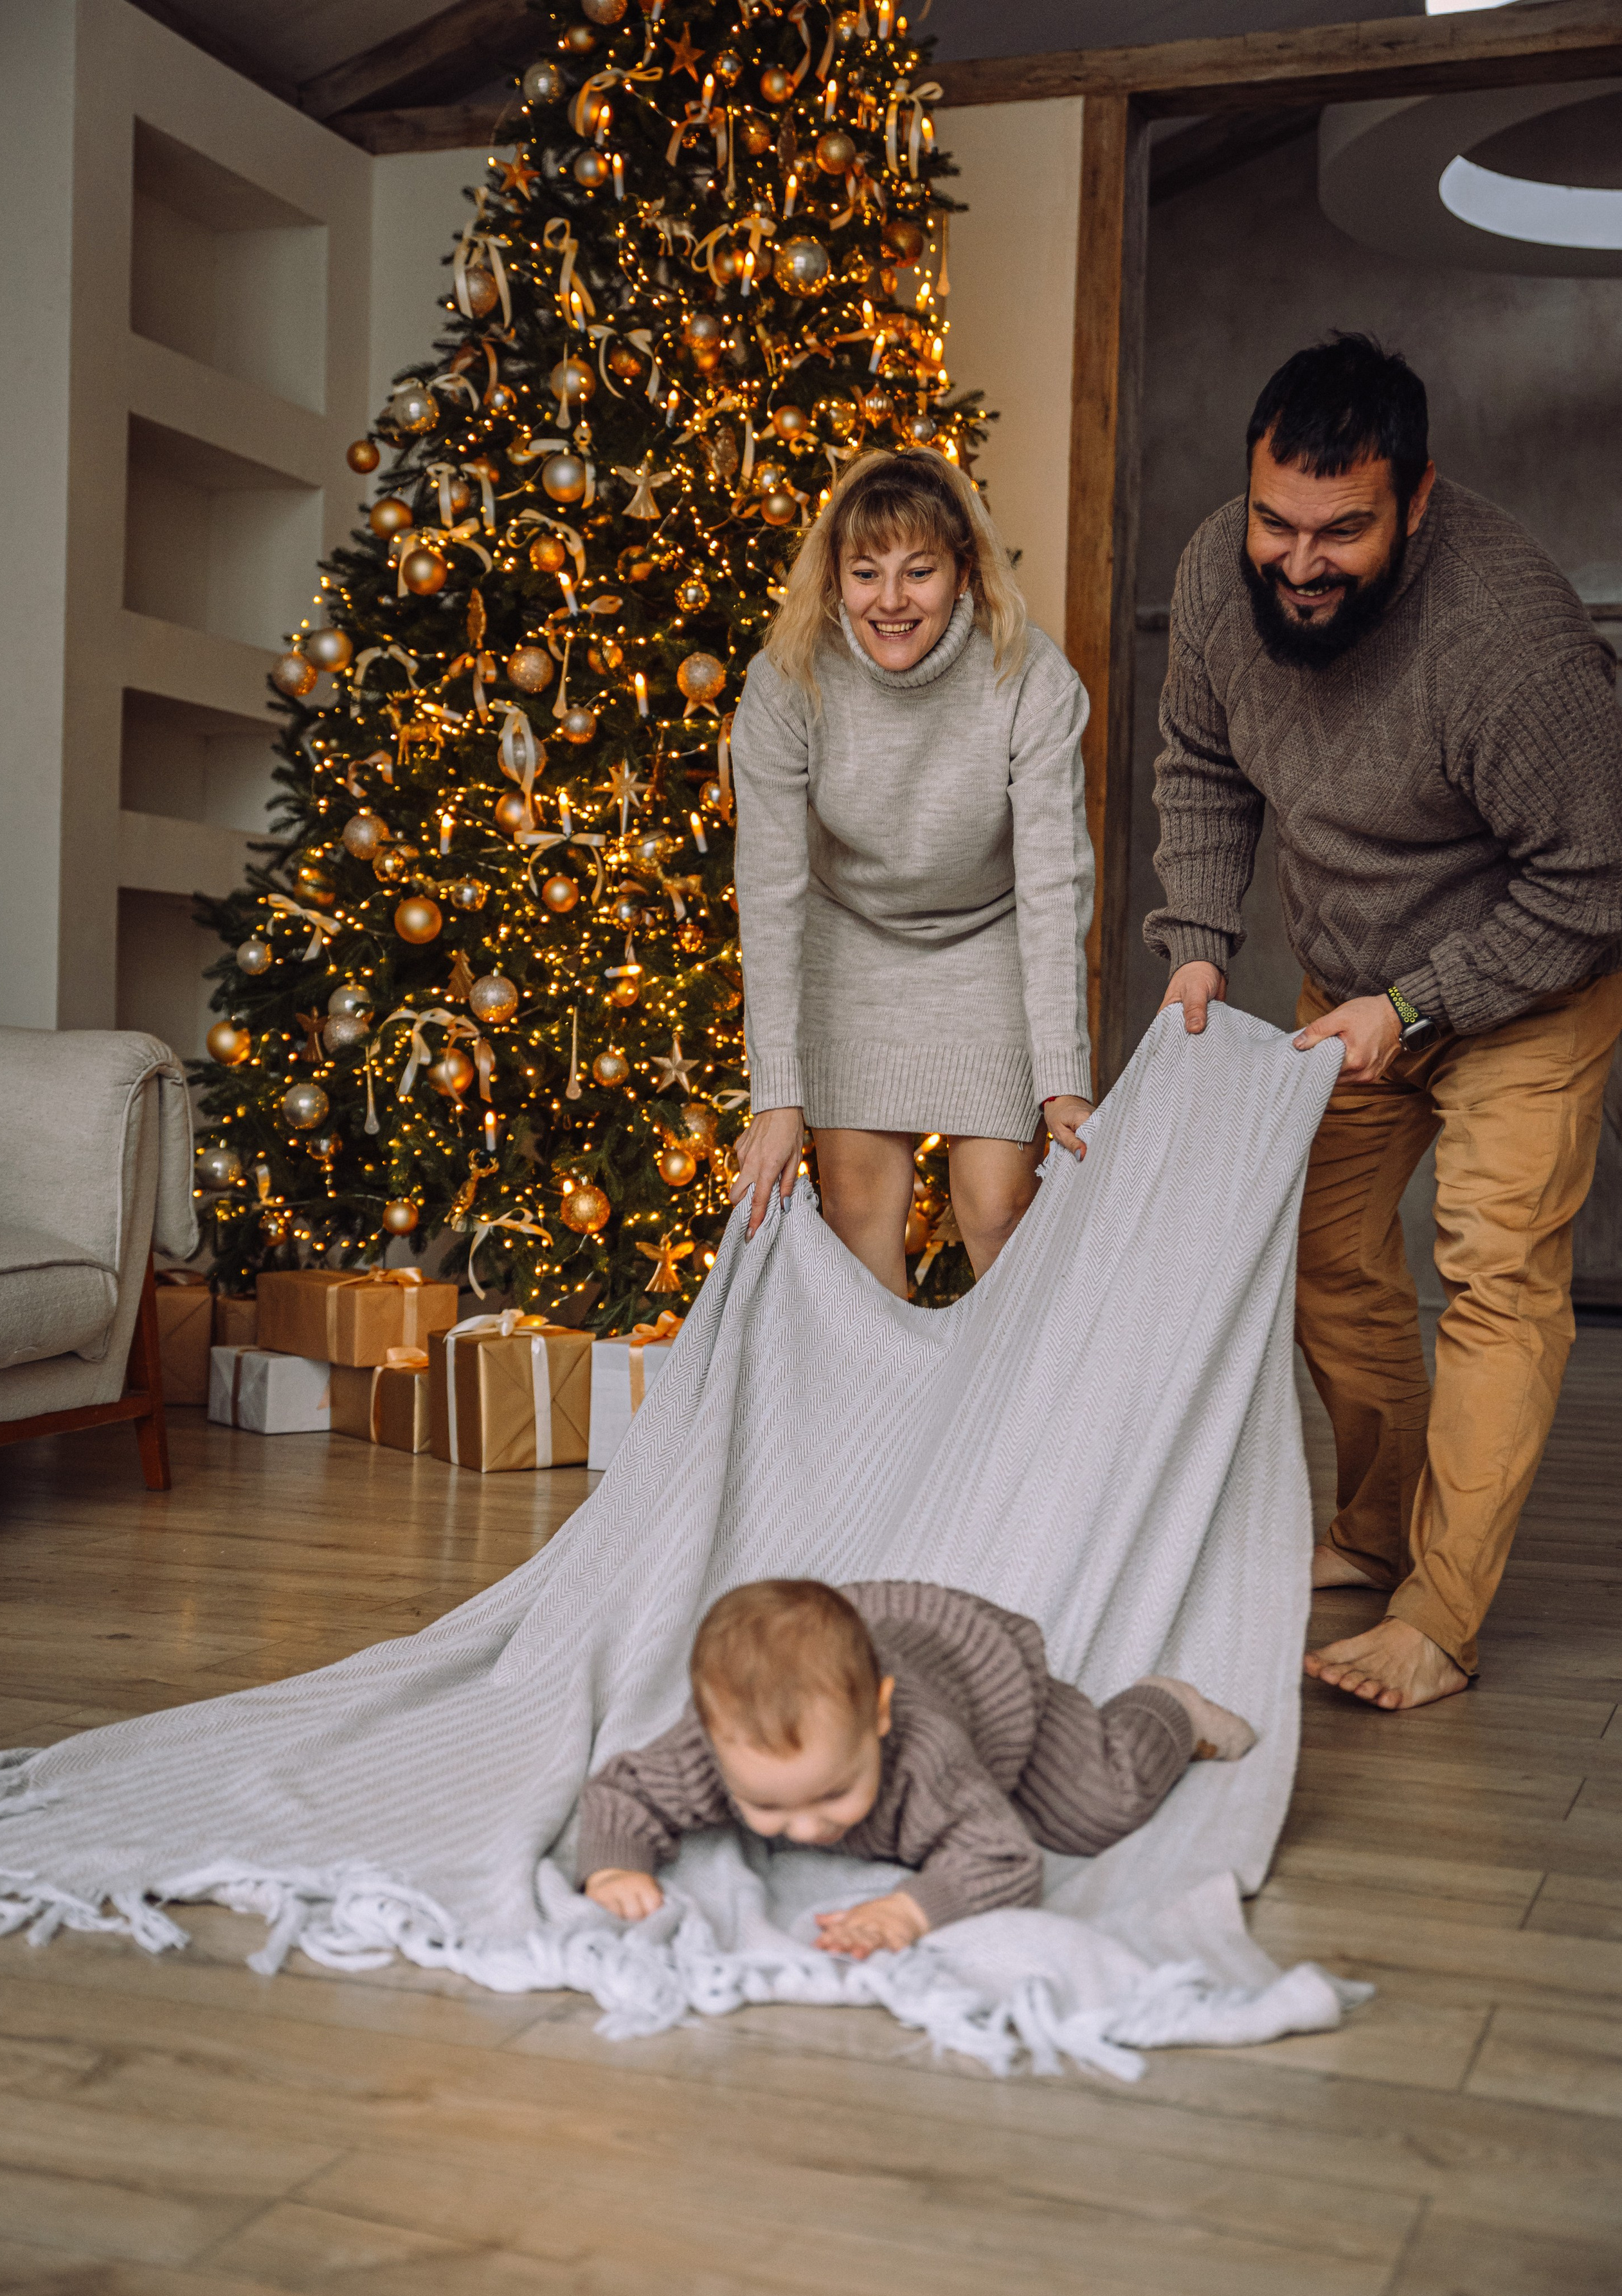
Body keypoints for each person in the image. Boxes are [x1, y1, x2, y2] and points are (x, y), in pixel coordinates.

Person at [1146, 332, 1622, 1712]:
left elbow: (1595, 882)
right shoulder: (1217, 574)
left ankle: (1438, 1615)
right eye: (1275, 521)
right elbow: (1200, 762)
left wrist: (1414, 1005)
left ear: (1416, 500)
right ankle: (1371, 1531)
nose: (1297, 562)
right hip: (1346, 980)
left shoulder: (1510, 646)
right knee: (1319, 1256)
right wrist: (1196, 943)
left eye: (1341, 531)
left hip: (1527, 981)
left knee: (1492, 1275)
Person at [728, 447, 1095, 1298]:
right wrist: (776, 1095)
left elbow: (1053, 888)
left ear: (963, 572)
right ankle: (881, 1394)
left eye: (918, 572)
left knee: (998, 1207)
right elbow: (771, 896)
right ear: (835, 579)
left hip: (989, 937)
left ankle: (1018, 1391)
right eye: (866, 573)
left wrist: (1062, 1079)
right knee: (858, 1214)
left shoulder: (1031, 677)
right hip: (850, 941)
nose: (890, 600)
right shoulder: (785, 681)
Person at [577, 1579, 1254, 1956]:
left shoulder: (924, 1755)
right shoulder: (718, 1744)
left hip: (985, 1683)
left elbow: (1006, 1860)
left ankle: (1168, 1706)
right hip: (852, 1659)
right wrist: (615, 1866)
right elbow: (626, 1790)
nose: (808, 1828)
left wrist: (909, 1910)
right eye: (768, 1805)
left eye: (834, 1792)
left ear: (879, 1715)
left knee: (1097, 1808)